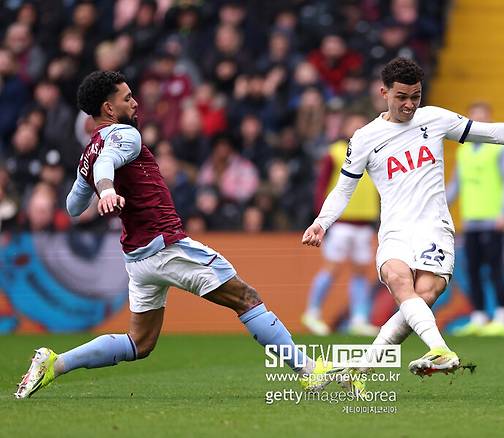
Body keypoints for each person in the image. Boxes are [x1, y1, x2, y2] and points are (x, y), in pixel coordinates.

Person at [15, 71, 330, 399]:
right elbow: (108, 161)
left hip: (138, 259)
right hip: (166, 247)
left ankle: (56, 363)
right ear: (109, 109)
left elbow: (72, 206)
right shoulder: (125, 134)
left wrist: (92, 177)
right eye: (127, 99)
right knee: (246, 298)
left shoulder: (89, 150)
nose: (135, 103)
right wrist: (106, 188)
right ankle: (309, 372)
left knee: (140, 343)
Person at [302, 57, 504, 379]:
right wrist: (322, 222)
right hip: (395, 230)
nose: (409, 105)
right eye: (402, 97)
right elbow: (343, 189)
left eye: (416, 96)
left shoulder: (435, 119)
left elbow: (493, 133)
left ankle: (361, 368)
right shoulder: (365, 138)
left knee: (422, 297)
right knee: (399, 282)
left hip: (435, 228)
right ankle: (441, 350)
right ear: (384, 92)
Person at [302, 112, 380, 337]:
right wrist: (321, 218)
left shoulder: (373, 152)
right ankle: (312, 312)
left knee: (360, 272)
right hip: (342, 222)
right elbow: (322, 185)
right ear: (344, 128)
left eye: (360, 125)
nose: (357, 129)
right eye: (353, 124)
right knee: (332, 268)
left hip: (364, 223)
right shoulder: (335, 152)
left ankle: (358, 318)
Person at [447, 102, 504, 337]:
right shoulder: (463, 150)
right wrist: (437, 205)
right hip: (471, 220)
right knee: (473, 270)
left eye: (481, 118)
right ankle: (479, 316)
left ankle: (503, 318)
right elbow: (455, 185)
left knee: (495, 269)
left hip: (493, 219)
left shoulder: (499, 148)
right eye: (473, 119)